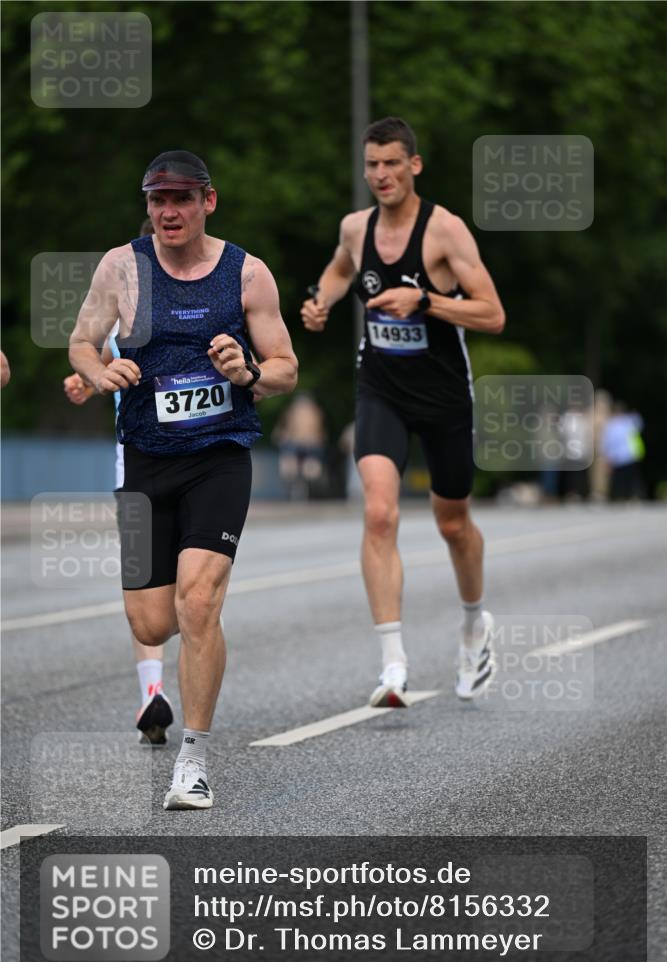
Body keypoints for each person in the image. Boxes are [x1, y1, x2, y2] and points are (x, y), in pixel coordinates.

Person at [69, 150, 298, 809]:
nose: (168, 212)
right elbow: (82, 341)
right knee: (150, 622)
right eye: (156, 200)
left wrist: (246, 370)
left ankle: (193, 761)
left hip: (218, 456)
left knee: (198, 603)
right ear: (147, 206)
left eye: (181, 199)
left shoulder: (246, 274)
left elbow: (285, 367)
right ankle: (182, 652)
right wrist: (97, 369)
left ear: (208, 202)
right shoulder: (122, 267)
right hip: (145, 457)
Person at [301, 118, 505, 707]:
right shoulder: (355, 228)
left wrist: (428, 302)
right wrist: (321, 301)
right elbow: (341, 268)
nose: (381, 175)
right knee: (381, 514)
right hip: (381, 388)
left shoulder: (445, 232)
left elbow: (492, 314)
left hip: (443, 396)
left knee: (452, 523)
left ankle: (474, 626)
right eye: (372, 165)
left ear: (414, 166)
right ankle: (393, 664)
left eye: (392, 163)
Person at [64, 219, 172, 748]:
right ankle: (152, 693)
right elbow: (102, 355)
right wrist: (90, 378)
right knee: (142, 585)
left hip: (197, 463)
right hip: (134, 463)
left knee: (183, 597)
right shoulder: (119, 292)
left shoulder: (205, 296)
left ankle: (180, 669)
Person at [600, 401, 645, 501]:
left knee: (628, 478)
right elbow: (607, 442)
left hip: (628, 456)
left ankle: (629, 496)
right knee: (620, 479)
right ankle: (621, 496)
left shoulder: (626, 422)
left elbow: (639, 424)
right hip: (620, 457)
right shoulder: (613, 424)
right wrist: (606, 456)